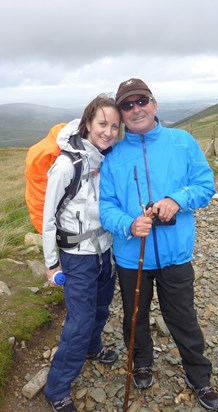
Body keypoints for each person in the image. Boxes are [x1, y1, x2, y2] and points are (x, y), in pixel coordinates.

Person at [99, 79, 218, 410]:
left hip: (175, 255)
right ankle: (141, 362)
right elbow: (106, 205)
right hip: (130, 256)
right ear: (122, 114)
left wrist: (177, 200)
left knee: (182, 318)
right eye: (127, 105)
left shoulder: (182, 142)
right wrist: (128, 223)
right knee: (134, 317)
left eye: (142, 101)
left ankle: (200, 378)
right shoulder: (113, 156)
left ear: (154, 104)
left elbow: (205, 184)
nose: (136, 109)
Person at [42, 94, 121, 412]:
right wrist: (51, 264)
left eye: (115, 126)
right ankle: (57, 388)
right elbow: (48, 219)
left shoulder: (107, 158)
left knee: (101, 308)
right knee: (80, 320)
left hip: (105, 250)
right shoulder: (66, 164)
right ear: (88, 122)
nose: (109, 131)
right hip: (77, 256)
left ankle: (93, 347)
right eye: (103, 123)